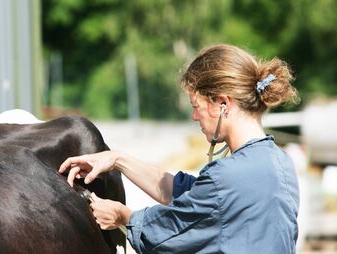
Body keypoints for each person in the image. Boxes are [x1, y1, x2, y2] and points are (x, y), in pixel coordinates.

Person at [59, 44, 300, 253]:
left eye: (196, 106)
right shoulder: (281, 163)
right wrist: (117, 159)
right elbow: (192, 196)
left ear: (223, 103)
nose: (195, 117)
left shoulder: (227, 177)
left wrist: (123, 217)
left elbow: (170, 230)